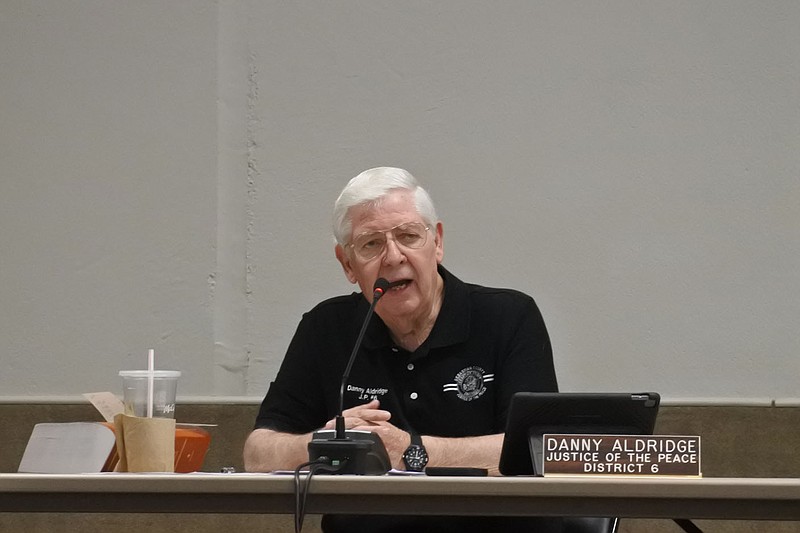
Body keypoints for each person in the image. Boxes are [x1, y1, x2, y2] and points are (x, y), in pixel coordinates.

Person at [244, 167, 562, 532]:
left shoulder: (508, 317)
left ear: (437, 242)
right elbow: (257, 452)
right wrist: (327, 445)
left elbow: (540, 450)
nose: (393, 257)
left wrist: (409, 451)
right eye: (371, 244)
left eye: (408, 236)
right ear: (348, 264)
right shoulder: (326, 328)